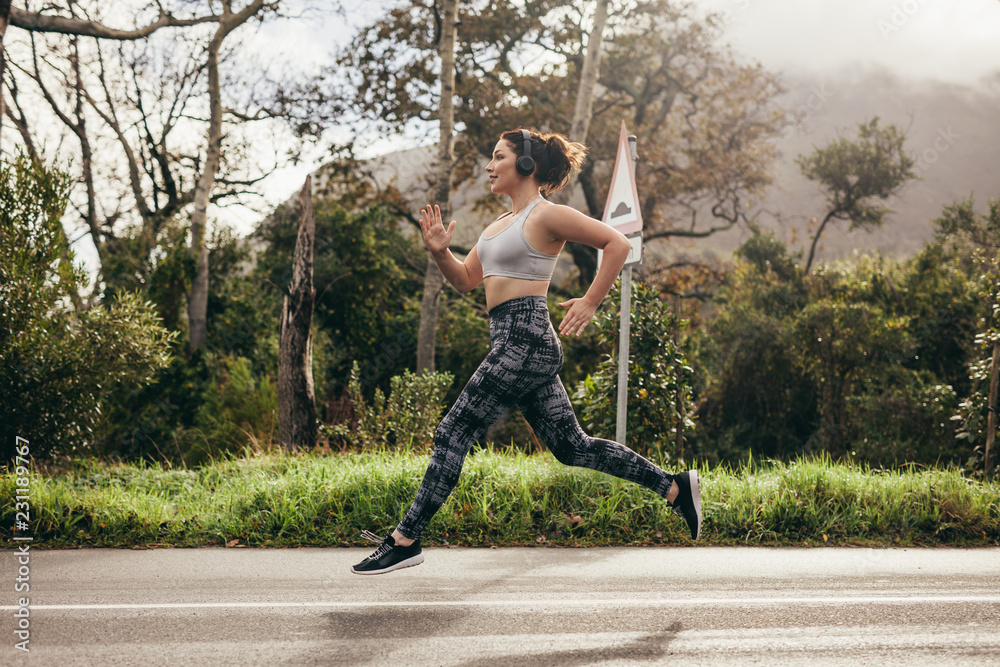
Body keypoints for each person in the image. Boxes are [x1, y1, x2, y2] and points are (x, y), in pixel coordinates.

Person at [351, 128, 702, 575]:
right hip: (512, 341)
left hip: (526, 337)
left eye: (498, 156)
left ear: (525, 165)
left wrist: (592, 301)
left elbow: (618, 243)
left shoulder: (545, 215)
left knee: (453, 431)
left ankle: (405, 538)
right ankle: (673, 487)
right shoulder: (497, 226)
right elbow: (464, 280)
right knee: (572, 448)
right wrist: (440, 252)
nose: (489, 166)